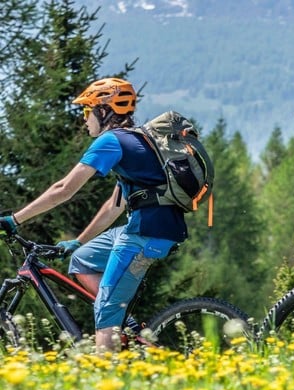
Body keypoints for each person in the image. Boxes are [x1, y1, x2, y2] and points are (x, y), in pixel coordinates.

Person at [0, 77, 187, 351]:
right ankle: (129, 326)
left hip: (145, 233)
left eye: (88, 111)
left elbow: (64, 188)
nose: (85, 119)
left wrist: (14, 219)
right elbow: (114, 206)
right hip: (152, 227)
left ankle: (104, 382)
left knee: (105, 313)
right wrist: (79, 241)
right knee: (82, 259)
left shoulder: (111, 141)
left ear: (104, 110)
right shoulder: (137, 141)